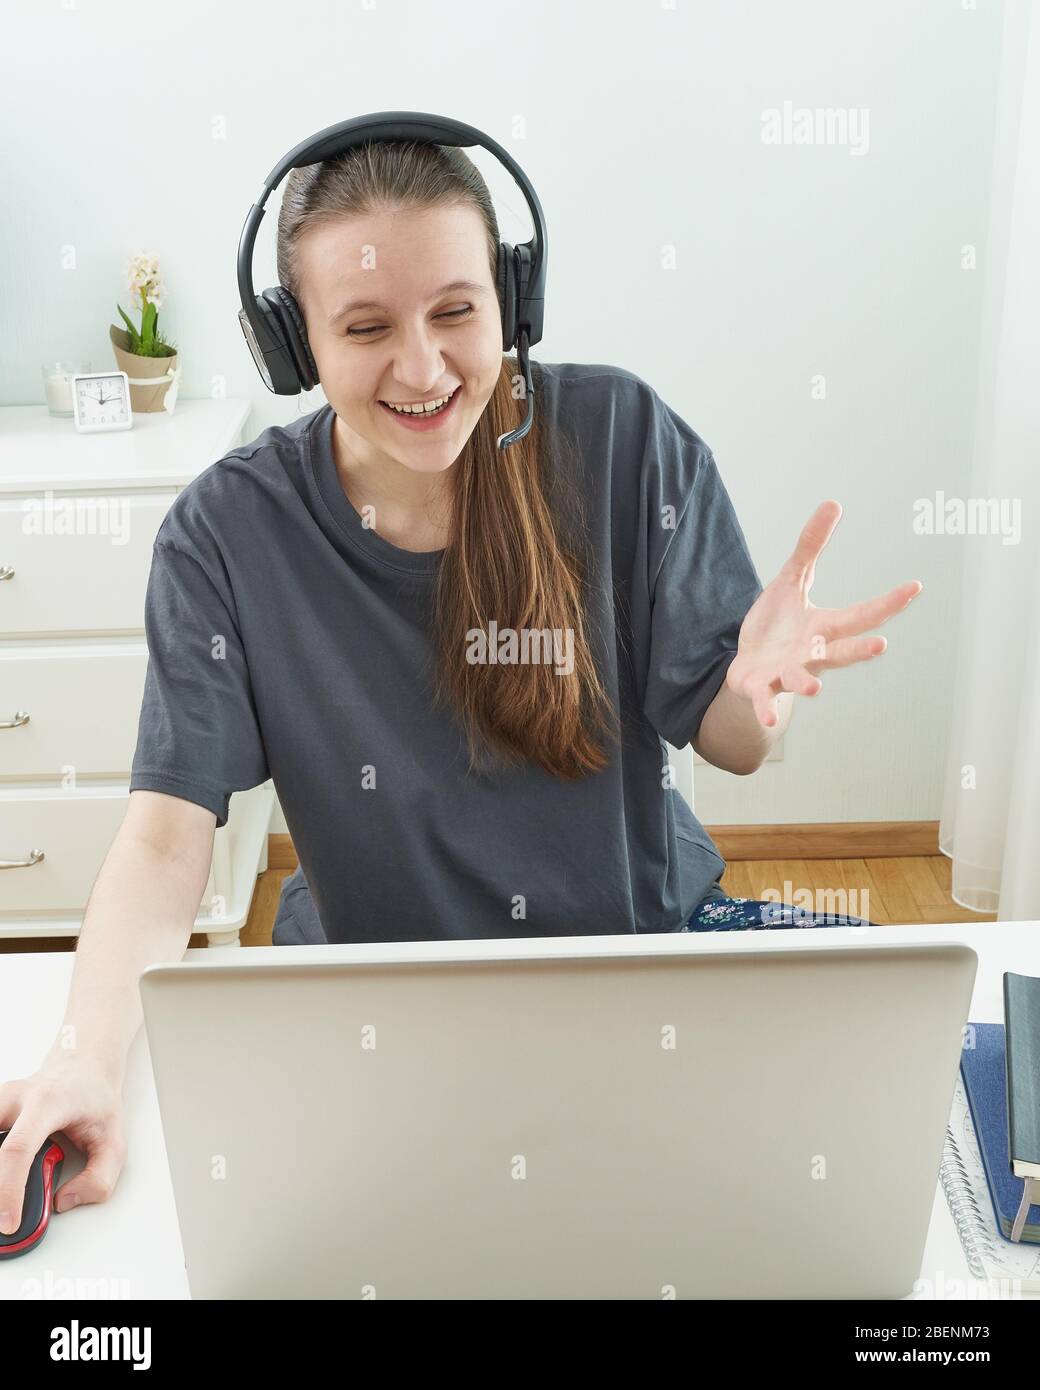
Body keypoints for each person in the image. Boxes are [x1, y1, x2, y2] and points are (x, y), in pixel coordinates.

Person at [0, 139, 921, 1233]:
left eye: (454, 311)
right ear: (294, 345)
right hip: (376, 1013)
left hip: (637, 975)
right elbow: (163, 838)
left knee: (885, 1106)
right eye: (365, 326)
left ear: (511, 302)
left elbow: (729, 742)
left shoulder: (621, 440)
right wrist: (85, 1059)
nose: (424, 368)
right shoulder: (226, 532)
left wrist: (754, 695)